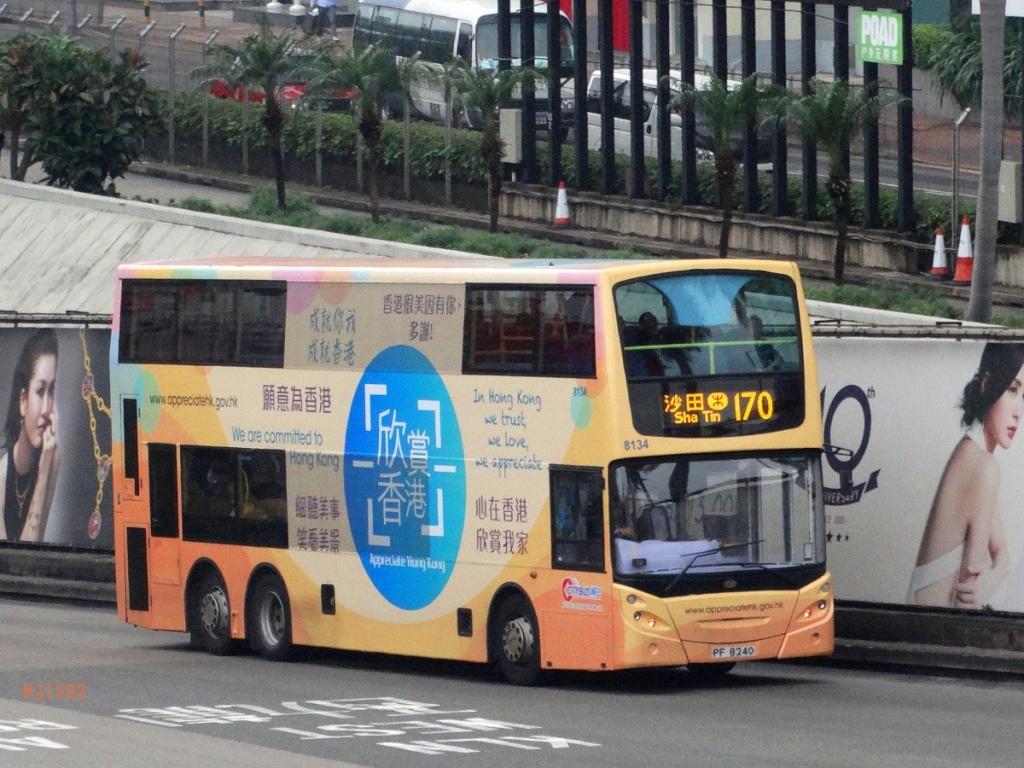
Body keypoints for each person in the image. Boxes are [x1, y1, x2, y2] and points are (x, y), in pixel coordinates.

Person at [908, 343, 1024, 608]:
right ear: (987, 384)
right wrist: (988, 582)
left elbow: (1002, 554)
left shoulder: (971, 449)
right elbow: (967, 599)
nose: (1019, 412)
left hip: (923, 615)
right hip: (935, 625)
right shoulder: (983, 467)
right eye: (1012, 390)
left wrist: (994, 577)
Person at [0, 329, 59, 542]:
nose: (46, 409)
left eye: (51, 391)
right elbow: (20, 556)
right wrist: (42, 476)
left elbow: (37, 545)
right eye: (40, 391)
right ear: (23, 401)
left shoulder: (52, 457)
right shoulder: (1, 476)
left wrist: (46, 467)